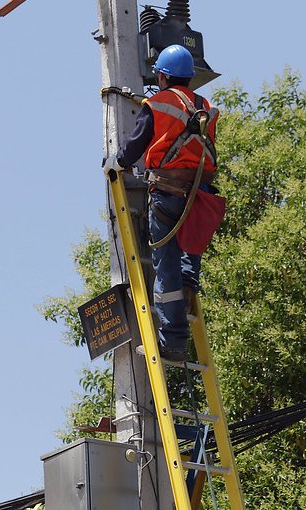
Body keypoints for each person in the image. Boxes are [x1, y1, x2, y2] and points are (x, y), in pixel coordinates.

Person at [103, 44, 220, 361]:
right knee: (189, 253)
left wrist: (116, 162)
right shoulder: (206, 107)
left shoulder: (157, 105)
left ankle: (175, 342)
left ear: (163, 76)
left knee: (165, 265)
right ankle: (188, 280)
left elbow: (135, 144)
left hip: (168, 193)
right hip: (200, 194)